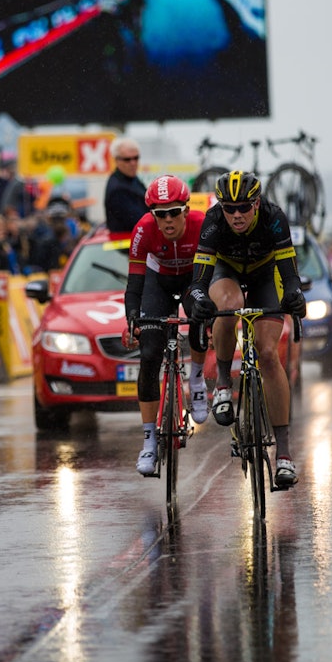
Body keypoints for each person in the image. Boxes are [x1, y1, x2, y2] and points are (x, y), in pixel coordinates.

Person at [187, 170, 306, 488]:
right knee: (228, 305)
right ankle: (223, 384)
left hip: (265, 274)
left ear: (256, 203)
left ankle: (284, 453)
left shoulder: (274, 217)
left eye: (243, 207)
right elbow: (197, 282)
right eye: (229, 208)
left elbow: (289, 275)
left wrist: (294, 295)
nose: (236, 214)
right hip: (226, 271)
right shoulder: (213, 221)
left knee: (268, 353)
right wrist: (200, 300)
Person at [122, 175, 210, 476]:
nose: (168, 220)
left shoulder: (201, 225)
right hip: (157, 284)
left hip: (192, 280)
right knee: (149, 356)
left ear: (186, 210)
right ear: (153, 216)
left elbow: (213, 275)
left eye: (174, 212)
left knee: (200, 318)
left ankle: (196, 380)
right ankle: (149, 439)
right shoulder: (143, 230)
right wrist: (132, 316)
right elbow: (134, 282)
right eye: (161, 214)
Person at [104, 137, 148, 233]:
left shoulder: (132, 179)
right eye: (127, 159)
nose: (133, 163)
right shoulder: (117, 188)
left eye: (136, 158)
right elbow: (142, 221)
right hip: (128, 239)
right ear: (116, 160)